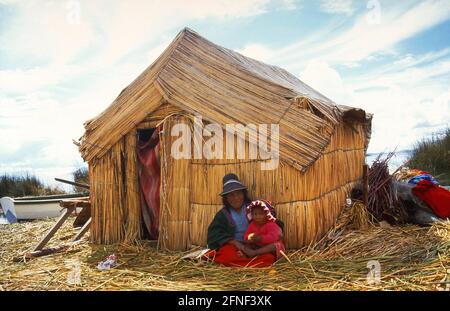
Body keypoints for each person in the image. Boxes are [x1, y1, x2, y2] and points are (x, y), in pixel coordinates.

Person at [203, 173, 278, 267]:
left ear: (243, 193)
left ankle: (242, 264)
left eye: (238, 193)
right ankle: (250, 264)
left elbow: (271, 219)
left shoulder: (254, 208)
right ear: (226, 198)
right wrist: (236, 243)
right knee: (226, 257)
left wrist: (255, 242)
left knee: (268, 257)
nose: (236, 198)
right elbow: (214, 234)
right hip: (235, 247)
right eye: (231, 195)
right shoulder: (223, 215)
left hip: (255, 246)